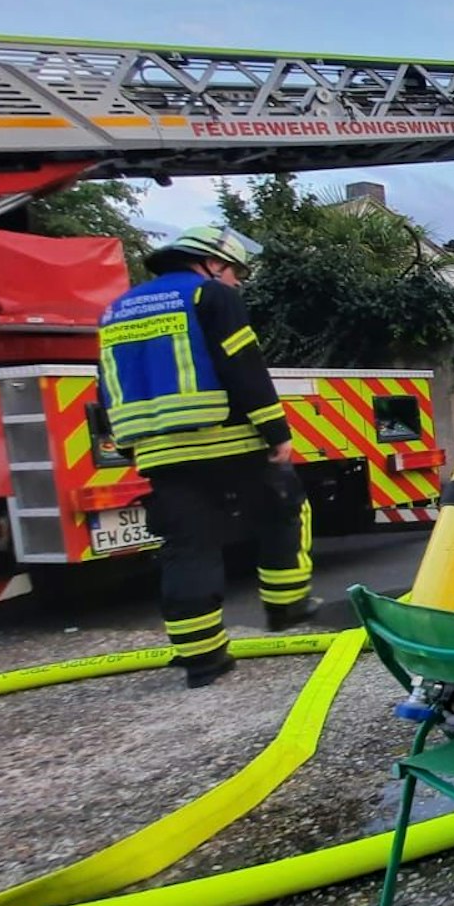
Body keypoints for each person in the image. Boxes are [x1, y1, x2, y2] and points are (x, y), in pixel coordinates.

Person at [97, 225, 319, 689]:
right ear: (211, 264)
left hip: (159, 451)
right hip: (229, 439)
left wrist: (127, 442)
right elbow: (243, 366)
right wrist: (276, 432)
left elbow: (108, 383)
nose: (236, 281)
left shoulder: (116, 310)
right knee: (284, 508)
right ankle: (286, 606)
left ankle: (202, 661)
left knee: (187, 547)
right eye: (234, 271)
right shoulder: (210, 296)